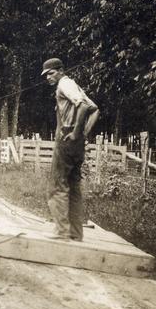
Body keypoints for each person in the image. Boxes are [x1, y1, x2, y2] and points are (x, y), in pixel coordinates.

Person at [42, 57, 100, 241]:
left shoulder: (64, 85)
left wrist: (75, 133)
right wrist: (83, 133)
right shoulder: (74, 86)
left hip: (68, 138)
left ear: (60, 71)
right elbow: (95, 109)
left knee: (57, 185)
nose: (48, 78)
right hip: (76, 143)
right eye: (45, 75)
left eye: (50, 73)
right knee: (74, 187)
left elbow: (83, 107)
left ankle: (61, 232)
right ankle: (75, 233)